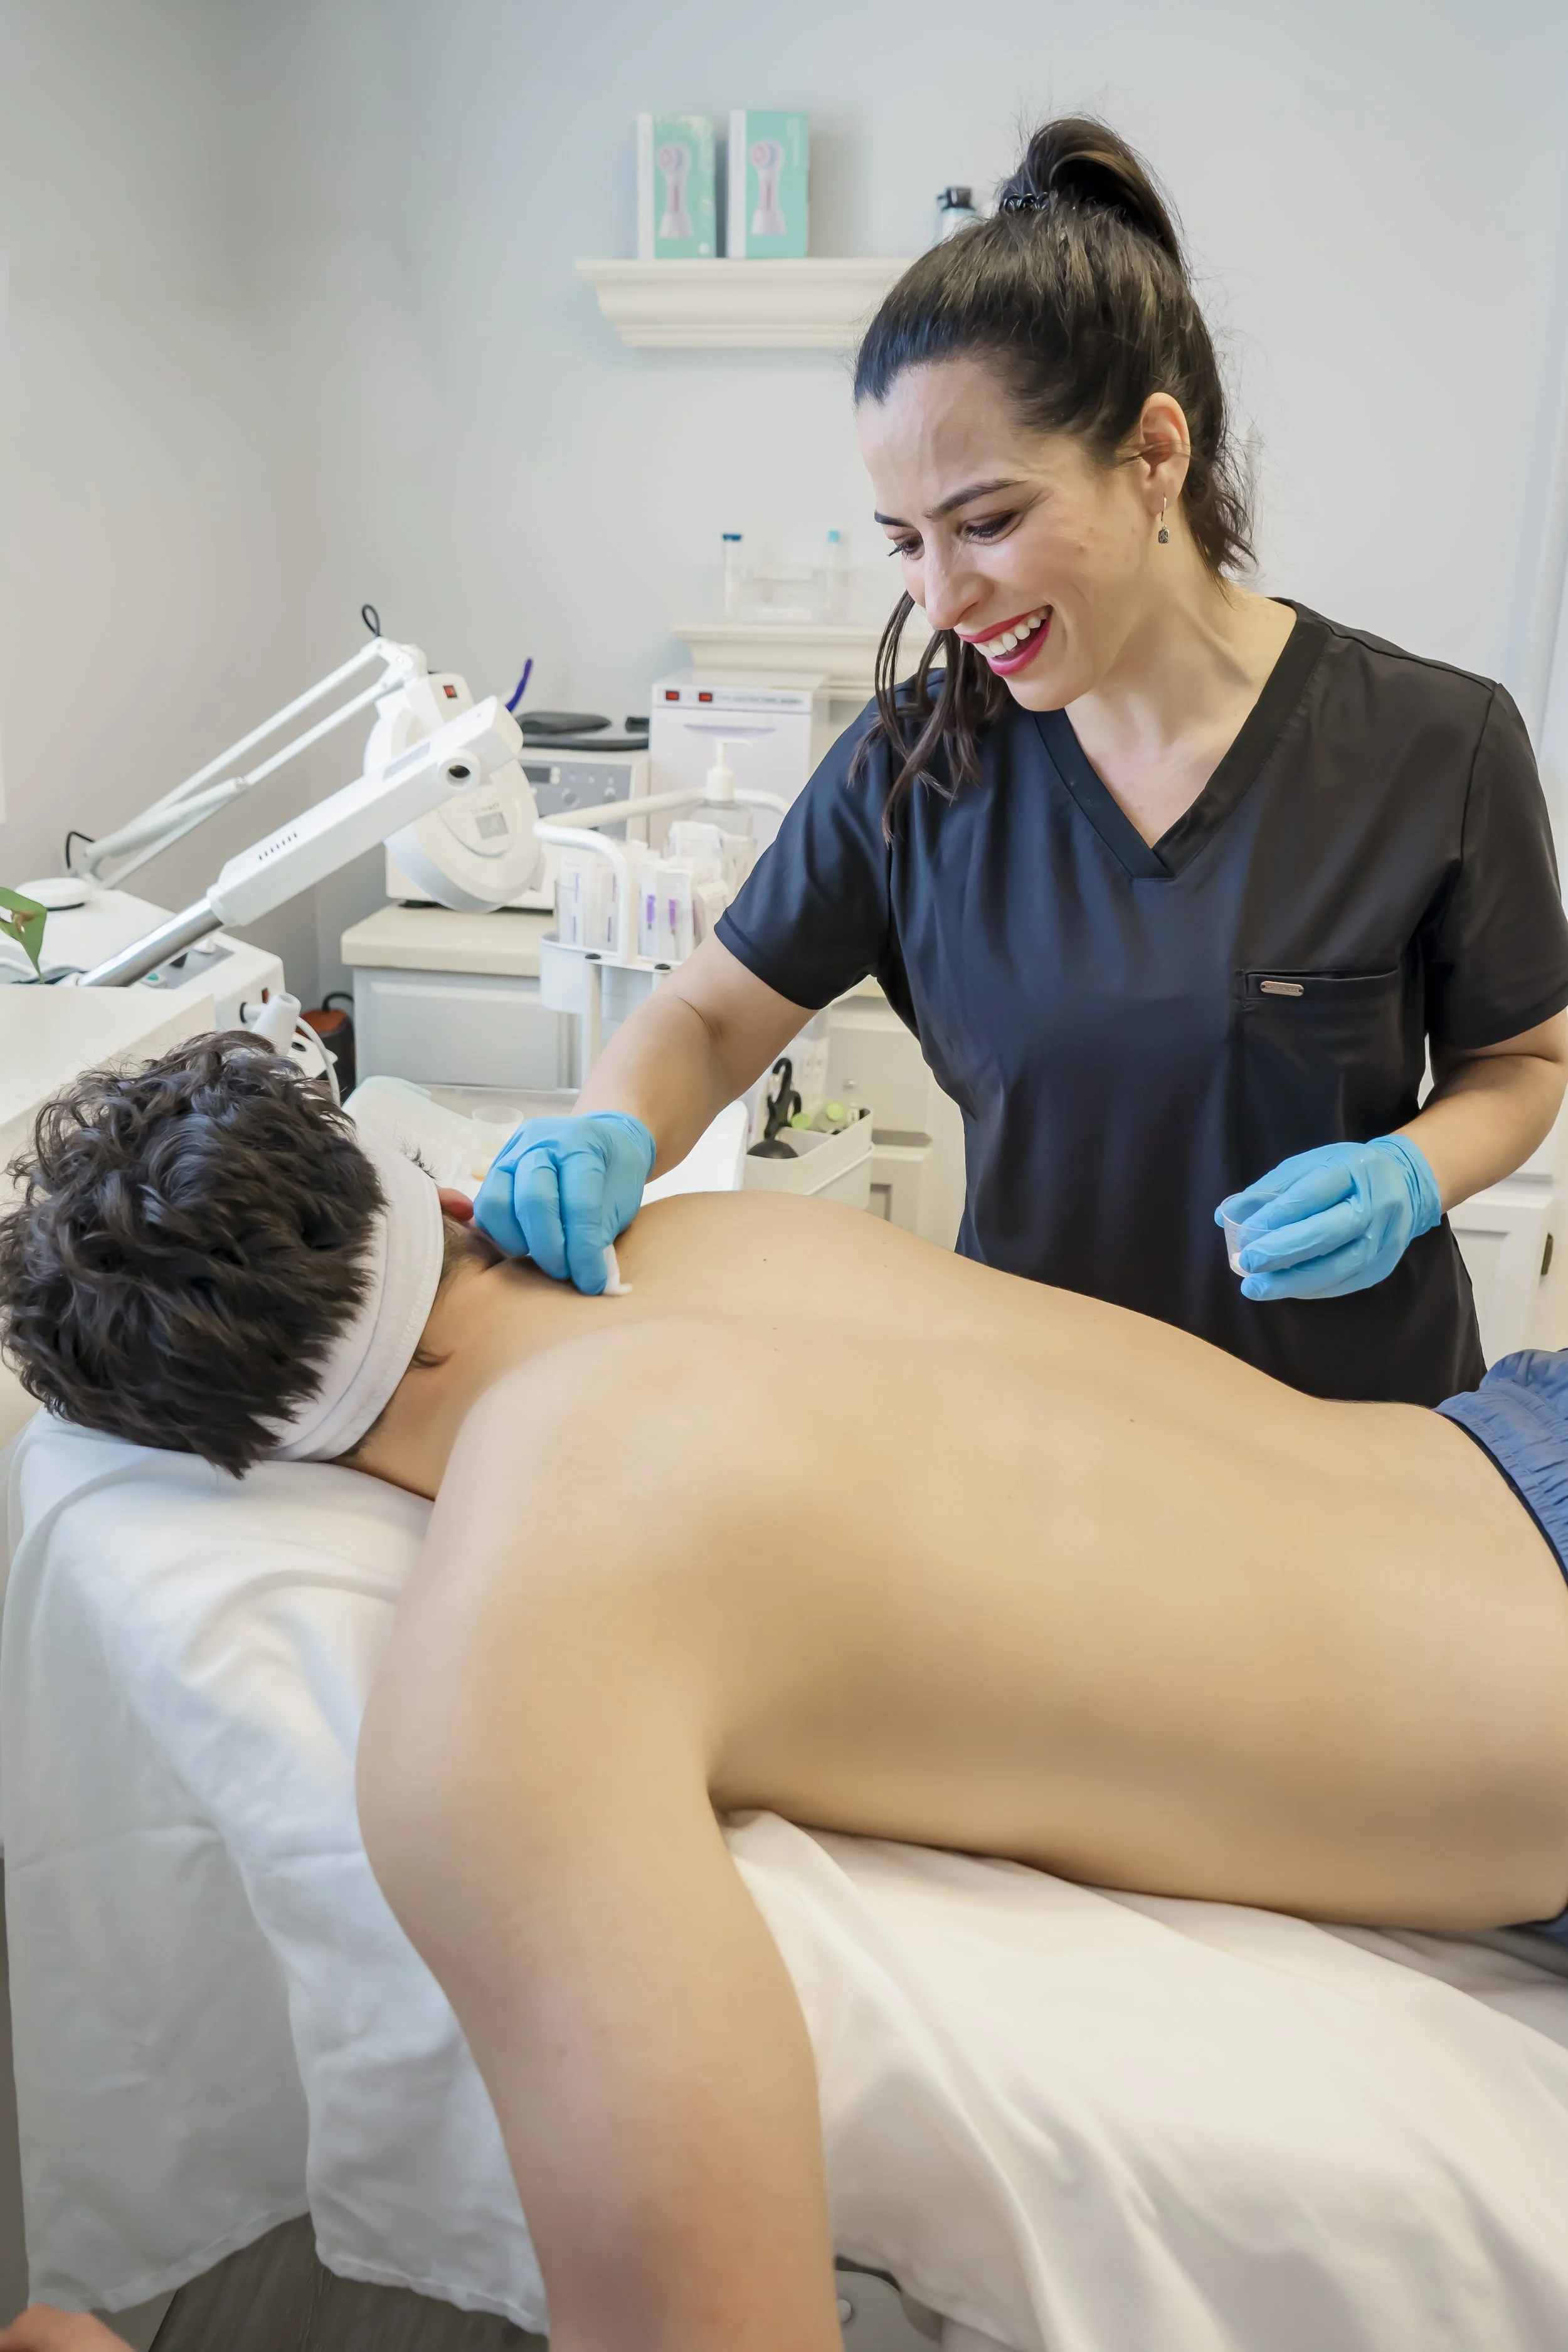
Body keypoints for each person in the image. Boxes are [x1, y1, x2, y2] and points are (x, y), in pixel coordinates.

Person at [4, 1038, 1568, 2352]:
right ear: (439, 1196)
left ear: (245, 1459)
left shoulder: (520, 1648)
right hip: (1510, 1428)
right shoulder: (713, 1235)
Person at [475, 117, 1568, 1411]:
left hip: (1349, 1433)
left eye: (986, 522)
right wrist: (609, 1125)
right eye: (905, 541)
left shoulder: (1432, 745)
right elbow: (708, 1020)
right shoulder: (914, 768)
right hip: (1037, 1432)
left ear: (1153, 455)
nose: (941, 598)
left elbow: (1522, 1065)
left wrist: (1411, 1175)